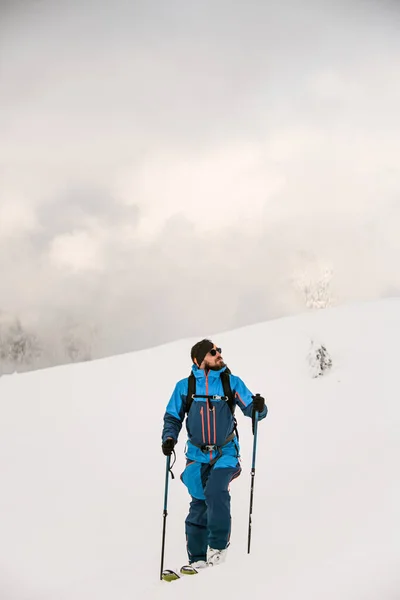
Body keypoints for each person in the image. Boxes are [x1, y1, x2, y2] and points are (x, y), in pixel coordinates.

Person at [161, 339, 267, 570]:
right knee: (199, 502)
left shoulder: (232, 382)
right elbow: (172, 417)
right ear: (198, 360)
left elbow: (253, 409)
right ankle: (197, 559)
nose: (218, 354)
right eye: (213, 352)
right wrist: (169, 439)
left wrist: (259, 407)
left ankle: (218, 548)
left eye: (219, 350)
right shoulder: (185, 387)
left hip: (226, 453)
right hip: (197, 457)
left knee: (216, 490)